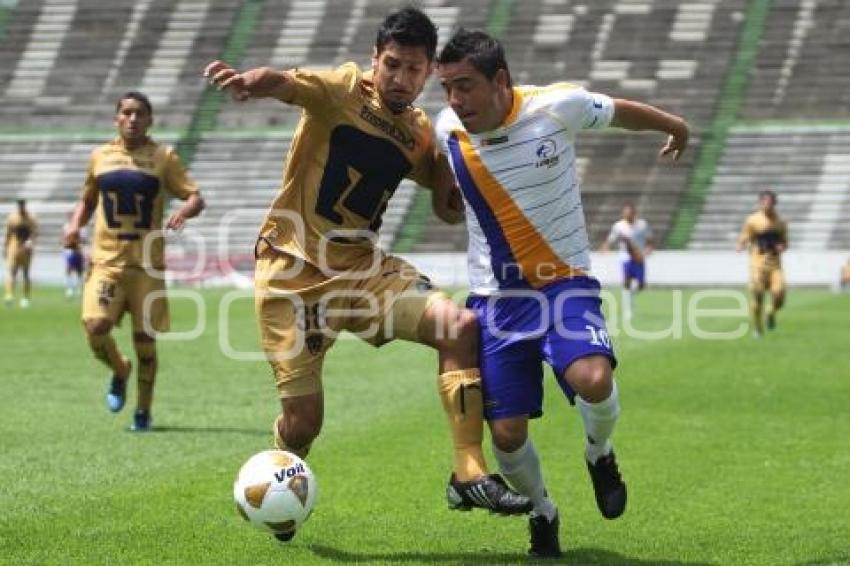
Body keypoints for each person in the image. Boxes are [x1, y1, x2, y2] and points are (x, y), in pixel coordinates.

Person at [203, 6, 530, 541]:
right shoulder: (340, 90)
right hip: (294, 272)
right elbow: (285, 83)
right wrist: (249, 83)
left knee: (459, 326)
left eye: (414, 69)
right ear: (375, 59)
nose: (401, 79)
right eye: (393, 65)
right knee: (304, 425)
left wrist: (458, 164)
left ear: (428, 74)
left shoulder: (420, 131)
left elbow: (447, 206)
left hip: (362, 271)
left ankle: (466, 471)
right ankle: (278, 471)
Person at [434, 28, 689, 557]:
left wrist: (673, 125)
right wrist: (446, 198)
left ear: (500, 80)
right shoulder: (447, 130)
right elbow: (439, 183)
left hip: (564, 282)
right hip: (496, 299)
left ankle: (599, 452)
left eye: (464, 86)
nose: (455, 101)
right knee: (505, 435)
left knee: (593, 378)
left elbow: (618, 111)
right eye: (446, 89)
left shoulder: (558, 107)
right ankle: (543, 512)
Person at [63, 91, 205, 431]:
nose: (132, 119)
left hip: (147, 267)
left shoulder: (163, 157)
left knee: (146, 344)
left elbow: (195, 196)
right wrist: (73, 225)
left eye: (139, 113)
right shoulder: (100, 157)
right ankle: (119, 369)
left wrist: (186, 209)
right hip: (106, 263)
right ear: (116, 118)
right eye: (126, 113)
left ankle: (143, 412)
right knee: (95, 327)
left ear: (150, 120)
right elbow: (87, 200)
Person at [736, 190, 787, 338]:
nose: (768, 206)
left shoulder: (781, 223)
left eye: (771, 203)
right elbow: (745, 235)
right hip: (757, 264)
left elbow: (784, 242)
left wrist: (782, 247)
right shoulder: (752, 220)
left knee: (779, 295)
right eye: (765, 202)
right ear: (760, 203)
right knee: (758, 298)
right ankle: (757, 329)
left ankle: (770, 312)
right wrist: (741, 244)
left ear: (775, 204)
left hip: (775, 265)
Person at [601, 203, 654, 320]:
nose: (627, 215)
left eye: (630, 213)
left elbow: (649, 240)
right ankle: (628, 311)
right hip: (625, 257)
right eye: (625, 213)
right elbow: (611, 239)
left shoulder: (642, 225)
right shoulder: (618, 226)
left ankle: (631, 296)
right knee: (626, 282)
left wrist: (648, 250)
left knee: (641, 285)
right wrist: (606, 247)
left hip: (639, 258)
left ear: (634, 213)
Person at [4, 198, 38, 308]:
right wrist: (5, 247)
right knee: (12, 272)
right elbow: (8, 233)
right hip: (14, 248)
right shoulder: (12, 217)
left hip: (26, 249)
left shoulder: (31, 218)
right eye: (19, 204)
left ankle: (25, 297)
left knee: (26, 273)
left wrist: (30, 241)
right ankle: (9, 295)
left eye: (22, 204)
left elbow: (34, 232)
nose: (21, 206)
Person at [63, 218, 86, 299]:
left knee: (79, 272)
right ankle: (70, 289)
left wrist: (77, 243)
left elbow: (83, 240)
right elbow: (64, 240)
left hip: (78, 251)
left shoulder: (82, 228)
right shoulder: (67, 226)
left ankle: (80, 289)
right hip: (70, 252)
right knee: (69, 270)